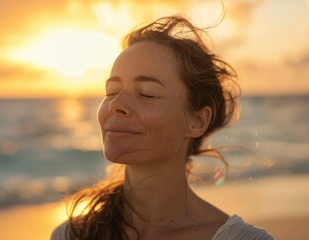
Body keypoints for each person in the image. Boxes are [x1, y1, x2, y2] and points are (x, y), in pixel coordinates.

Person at [51, 15, 274, 240]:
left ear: (197, 121)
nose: (116, 104)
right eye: (111, 91)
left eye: (146, 93)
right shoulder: (71, 235)